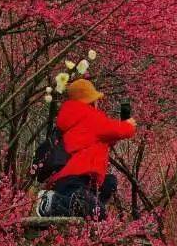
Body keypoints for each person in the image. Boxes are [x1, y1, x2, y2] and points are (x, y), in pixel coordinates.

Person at [37, 79, 136, 219]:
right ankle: (52, 202)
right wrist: (129, 125)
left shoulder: (73, 121)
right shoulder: (90, 117)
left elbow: (100, 139)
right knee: (97, 214)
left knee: (109, 182)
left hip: (71, 181)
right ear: (89, 101)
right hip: (76, 180)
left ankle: (61, 203)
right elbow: (120, 130)